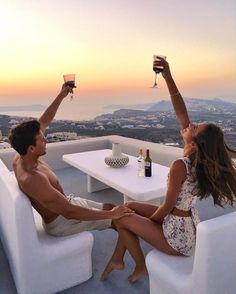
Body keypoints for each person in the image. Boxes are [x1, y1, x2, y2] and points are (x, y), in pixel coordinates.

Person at [101, 57, 236, 283]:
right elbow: (180, 111)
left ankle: (140, 265)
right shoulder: (198, 162)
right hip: (186, 225)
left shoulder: (180, 166)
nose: (188, 125)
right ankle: (118, 258)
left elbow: (166, 206)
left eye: (193, 127)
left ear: (195, 143)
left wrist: (150, 223)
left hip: (177, 237)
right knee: (129, 206)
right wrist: (168, 76)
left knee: (121, 218)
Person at [8, 84, 134, 237]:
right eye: (42, 139)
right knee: (119, 220)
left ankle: (118, 256)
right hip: (62, 222)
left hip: (67, 203)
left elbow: (45, 120)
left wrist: (61, 95)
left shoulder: (21, 155)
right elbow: (69, 212)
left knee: (110, 206)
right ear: (31, 148)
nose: (46, 139)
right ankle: (123, 260)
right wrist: (111, 215)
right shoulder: (33, 178)